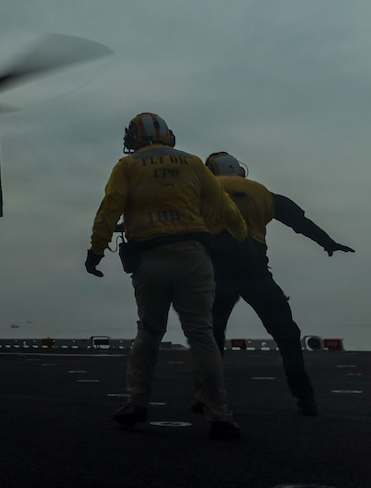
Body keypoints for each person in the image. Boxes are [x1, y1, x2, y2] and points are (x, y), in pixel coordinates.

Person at [86, 113, 248, 441]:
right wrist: (241, 240)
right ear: (167, 135)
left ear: (136, 137)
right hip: (193, 256)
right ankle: (219, 414)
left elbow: (110, 208)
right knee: (201, 333)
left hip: (150, 258)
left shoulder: (127, 166)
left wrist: (96, 251)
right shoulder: (191, 163)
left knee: (148, 332)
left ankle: (137, 402)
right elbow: (224, 207)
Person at [201, 151, 355, 417]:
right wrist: (328, 243)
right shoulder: (262, 192)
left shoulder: (205, 190)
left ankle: (206, 395)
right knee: (286, 334)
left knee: (211, 334)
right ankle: (305, 397)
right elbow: (299, 223)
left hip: (218, 270)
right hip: (255, 270)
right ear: (239, 170)